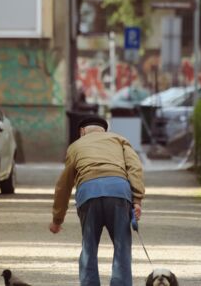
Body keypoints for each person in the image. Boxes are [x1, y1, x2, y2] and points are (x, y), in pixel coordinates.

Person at [49, 115, 145, 286]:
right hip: (118, 191)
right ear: (104, 130)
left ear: (82, 131)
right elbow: (135, 168)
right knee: (122, 245)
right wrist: (137, 199)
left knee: (89, 246)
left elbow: (64, 185)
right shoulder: (119, 140)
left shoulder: (75, 146)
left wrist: (57, 219)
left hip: (88, 193)